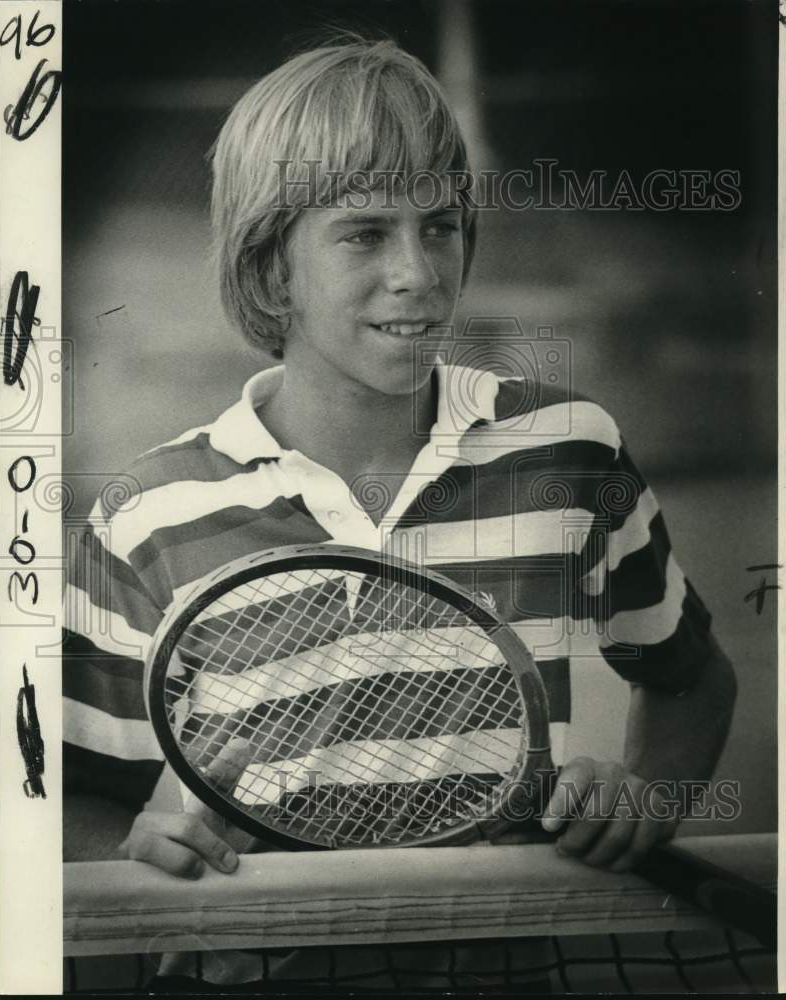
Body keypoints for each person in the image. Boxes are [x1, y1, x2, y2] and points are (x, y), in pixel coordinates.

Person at [63, 35, 737, 990]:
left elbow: (690, 675)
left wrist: (641, 796)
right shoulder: (147, 513)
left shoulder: (570, 450)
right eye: (366, 233)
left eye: (442, 227)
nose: (420, 272)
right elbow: (70, 795)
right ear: (269, 270)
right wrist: (146, 853)